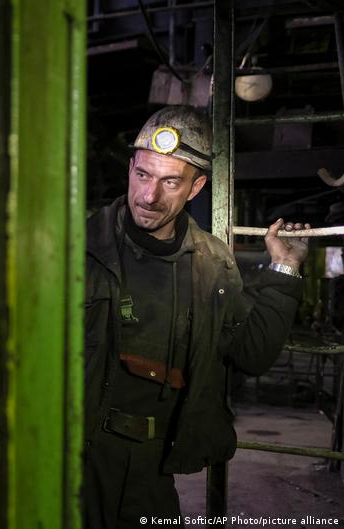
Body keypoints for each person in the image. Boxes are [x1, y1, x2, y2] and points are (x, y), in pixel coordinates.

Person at [83, 106, 310, 528]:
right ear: (130, 168)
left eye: (170, 182)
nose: (149, 196)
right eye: (143, 175)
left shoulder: (213, 263)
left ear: (196, 187)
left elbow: (252, 353)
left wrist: (285, 269)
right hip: (73, 453)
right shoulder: (78, 246)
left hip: (151, 466)